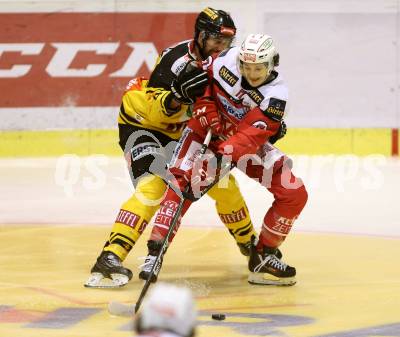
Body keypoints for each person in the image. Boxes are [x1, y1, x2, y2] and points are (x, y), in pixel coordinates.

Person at [84, 8, 263, 288]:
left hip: (184, 133)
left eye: (226, 41)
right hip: (143, 126)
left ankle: (252, 248)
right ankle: (109, 256)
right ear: (200, 36)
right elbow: (156, 110)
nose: (221, 47)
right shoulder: (175, 59)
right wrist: (177, 98)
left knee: (224, 185)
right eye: (215, 40)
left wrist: (265, 120)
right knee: (152, 188)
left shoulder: (230, 63)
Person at [140, 34, 308, 286]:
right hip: (203, 131)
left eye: (259, 68)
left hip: (240, 143)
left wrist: (221, 153)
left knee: (294, 192)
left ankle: (263, 255)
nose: (252, 74)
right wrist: (205, 110)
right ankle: (155, 252)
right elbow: (200, 84)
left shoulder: (277, 95)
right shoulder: (224, 61)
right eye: (247, 67)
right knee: (180, 184)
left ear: (271, 64)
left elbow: (252, 136)